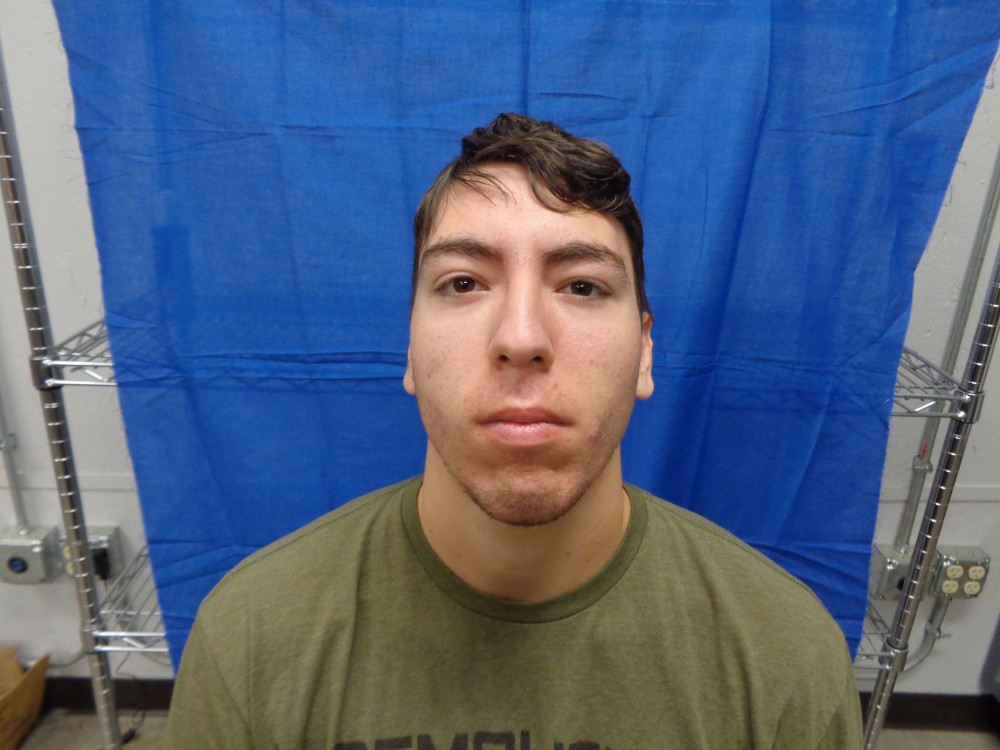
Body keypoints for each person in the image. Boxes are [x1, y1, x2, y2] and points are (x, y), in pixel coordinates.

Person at [163, 113, 863, 749]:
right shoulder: (250, 642)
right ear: (410, 351)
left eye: (582, 285)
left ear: (646, 352)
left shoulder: (785, 659)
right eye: (464, 283)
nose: (522, 338)